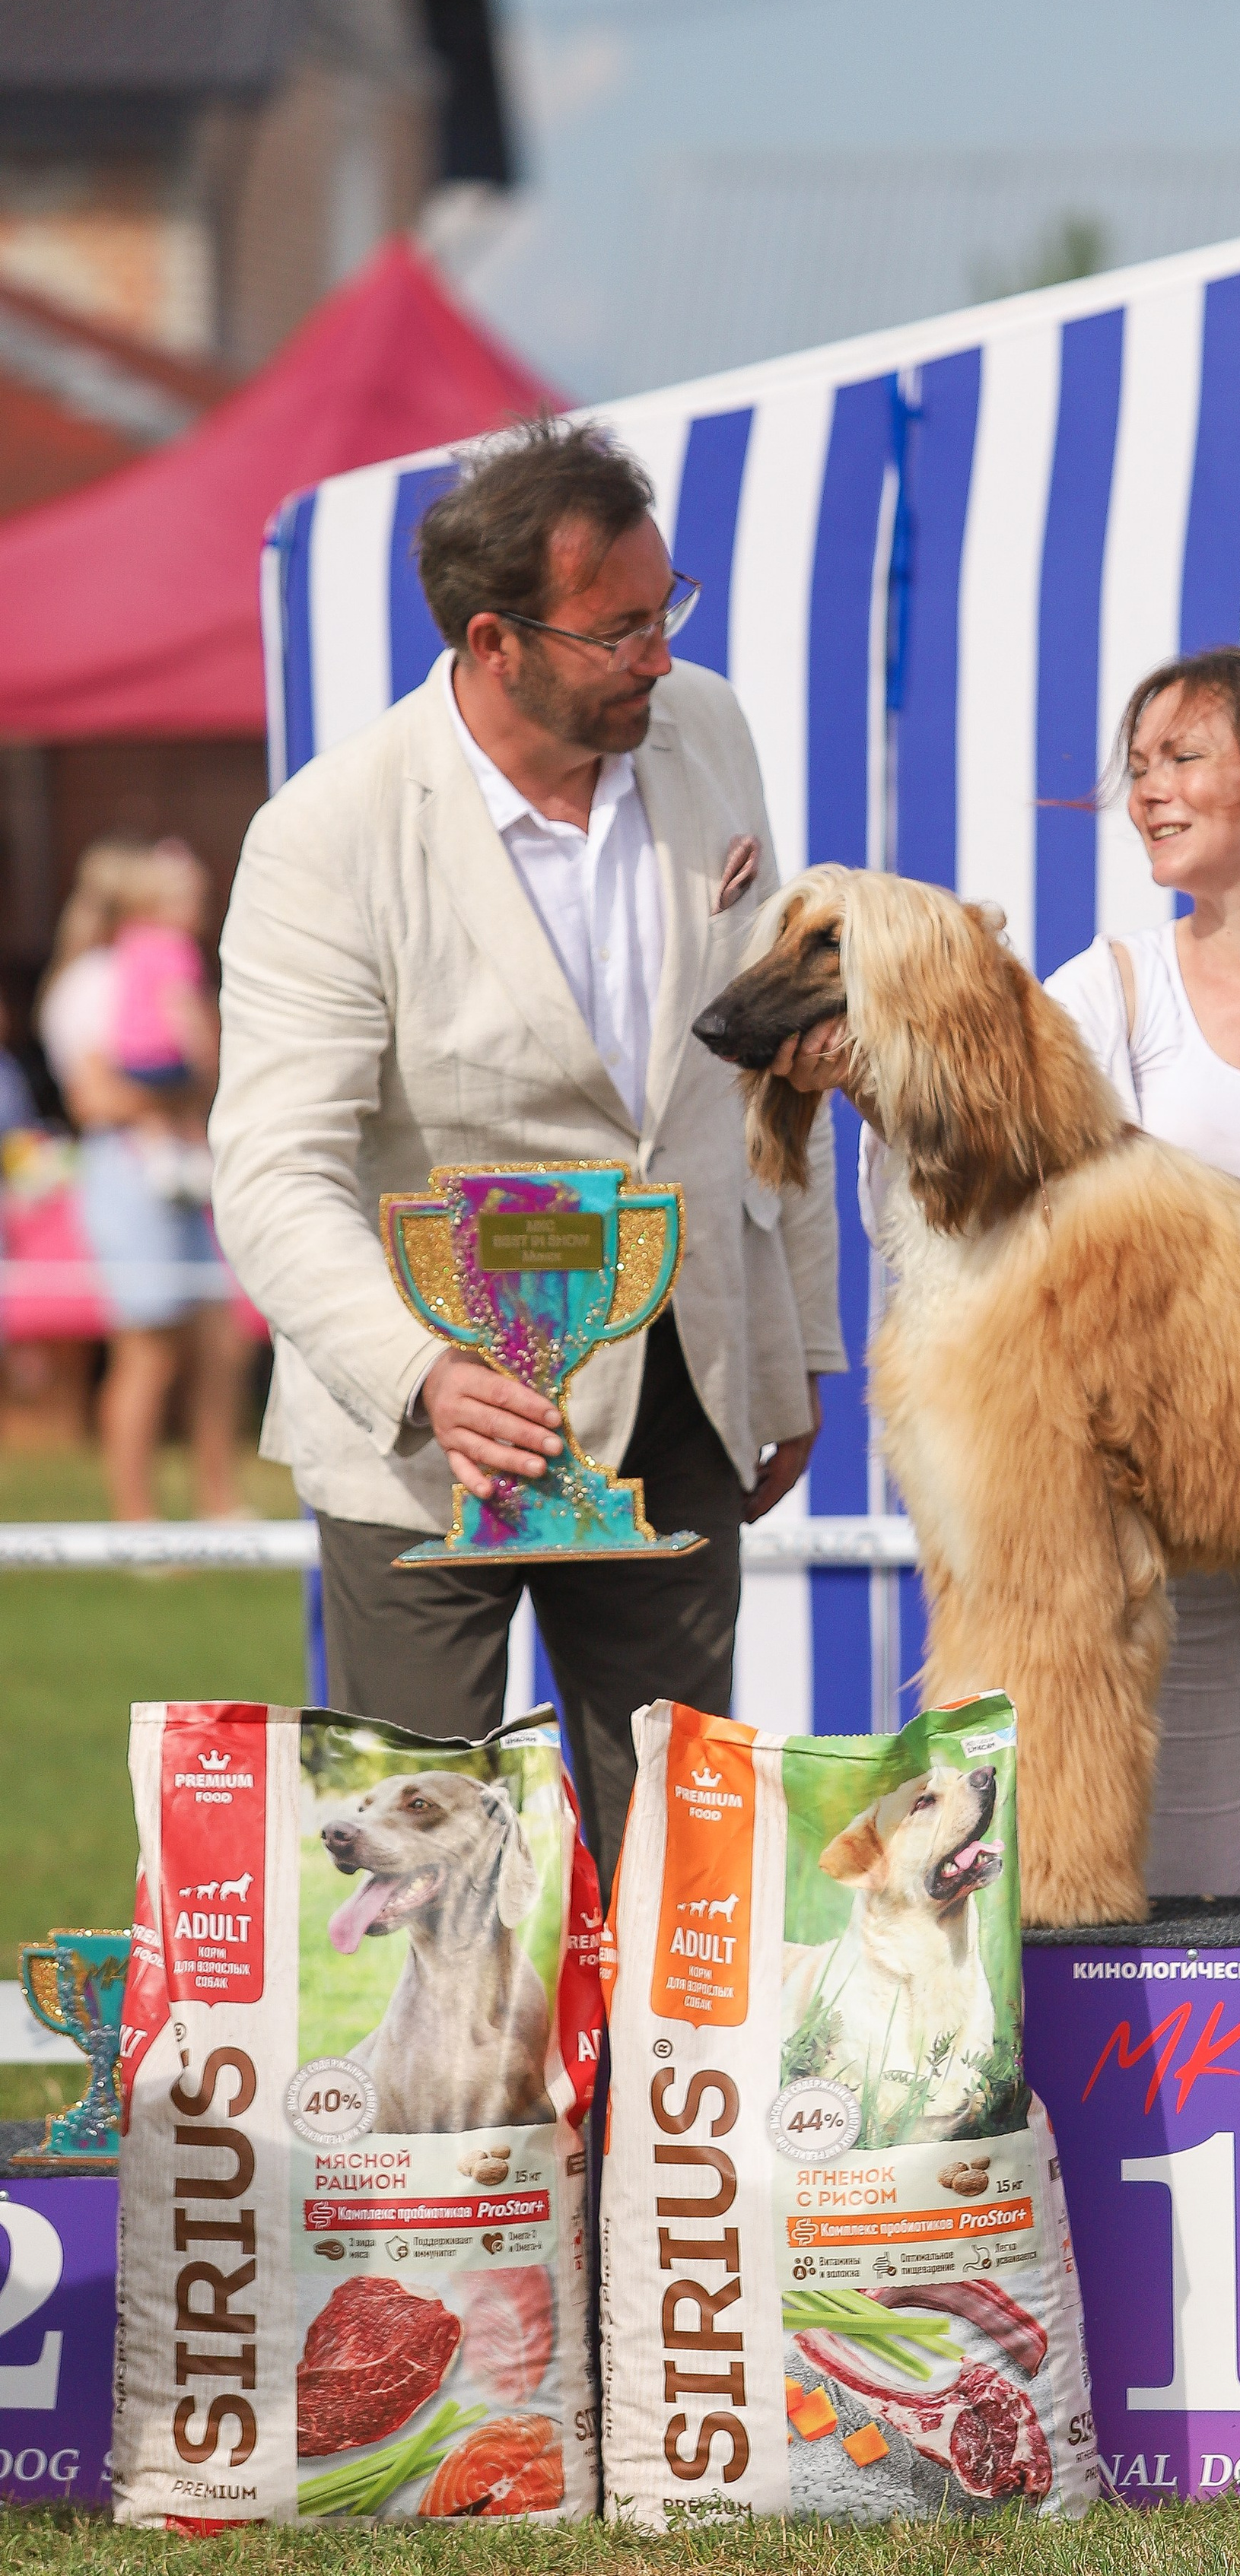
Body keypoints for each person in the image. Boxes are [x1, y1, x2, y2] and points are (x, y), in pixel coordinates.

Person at [210, 416, 844, 1888]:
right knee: (418, 1865)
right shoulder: (329, 832)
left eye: (665, 606)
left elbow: (763, 1071)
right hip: (429, 1430)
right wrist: (417, 1371)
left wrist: (795, 1338)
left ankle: (658, 2121)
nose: (658, 656)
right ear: (495, 641)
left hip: (686, 1377)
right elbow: (273, 1170)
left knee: (683, 1859)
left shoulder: (714, 732)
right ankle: (454, 2134)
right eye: (619, 628)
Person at [780, 643, 1240, 1902]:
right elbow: (970, 1219)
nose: (1149, 790)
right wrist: (885, 1094)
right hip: (1157, 1510)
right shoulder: (1094, 998)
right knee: (1183, 1889)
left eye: (1185, 758)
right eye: (1140, 765)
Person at [37, 836, 245, 1520]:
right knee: (148, 1353)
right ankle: (138, 1523)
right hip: (129, 1172)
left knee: (220, 1342)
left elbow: (207, 1070)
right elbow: (97, 1099)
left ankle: (220, 1507)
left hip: (185, 1167)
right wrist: (174, 1094)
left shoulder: (171, 972)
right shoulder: (91, 983)